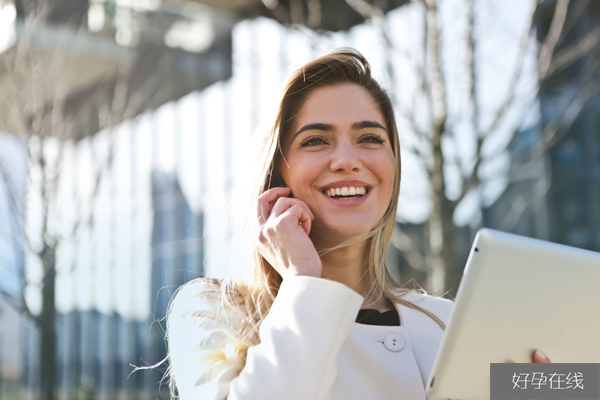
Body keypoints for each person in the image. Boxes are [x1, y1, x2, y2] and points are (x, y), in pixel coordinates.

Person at [165, 48, 550, 400]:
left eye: (370, 138)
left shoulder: (449, 322)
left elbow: (581, 380)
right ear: (277, 173)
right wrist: (303, 280)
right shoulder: (210, 312)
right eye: (316, 140)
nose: (347, 160)